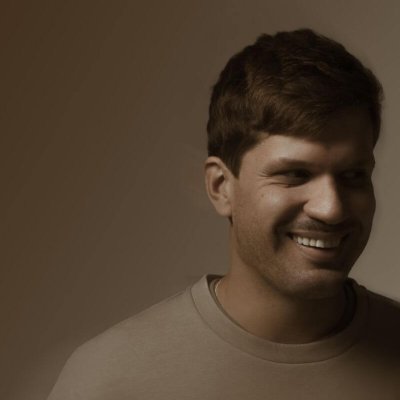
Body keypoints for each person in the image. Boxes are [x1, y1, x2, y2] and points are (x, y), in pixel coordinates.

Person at [47, 29, 400, 399]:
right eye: (295, 174)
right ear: (220, 187)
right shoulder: (110, 380)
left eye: (353, 176)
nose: (331, 208)